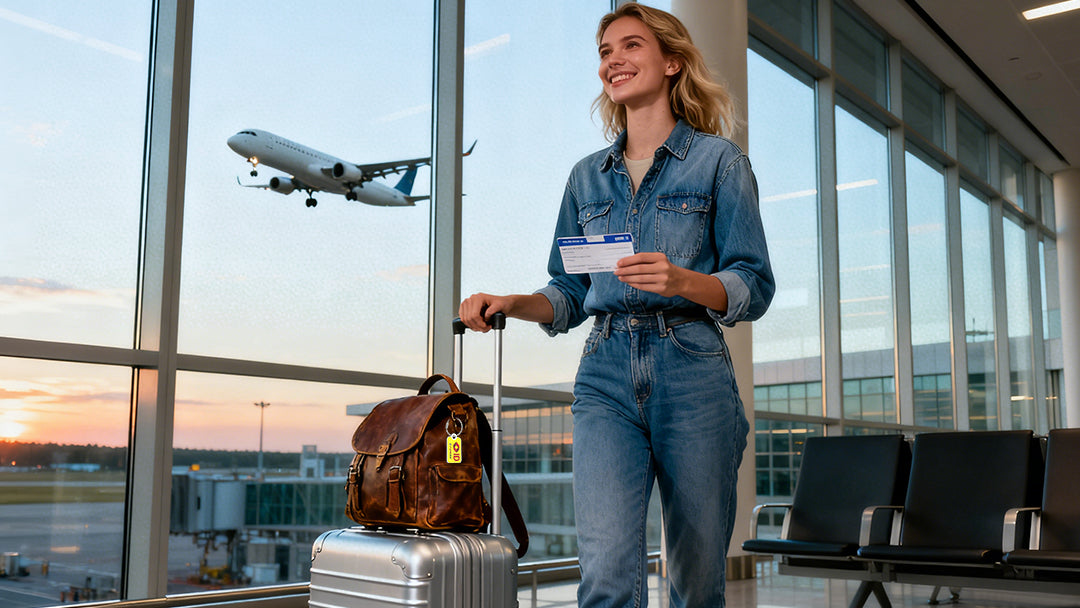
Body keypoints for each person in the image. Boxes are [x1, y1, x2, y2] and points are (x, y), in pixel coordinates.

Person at [458, 4, 774, 607]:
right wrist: (514, 302)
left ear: (672, 61)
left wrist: (683, 281)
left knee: (697, 575)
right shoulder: (586, 178)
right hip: (604, 373)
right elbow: (570, 290)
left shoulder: (718, 163)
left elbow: (752, 285)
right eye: (605, 52)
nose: (614, 61)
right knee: (604, 573)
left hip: (693, 369)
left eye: (630, 46)